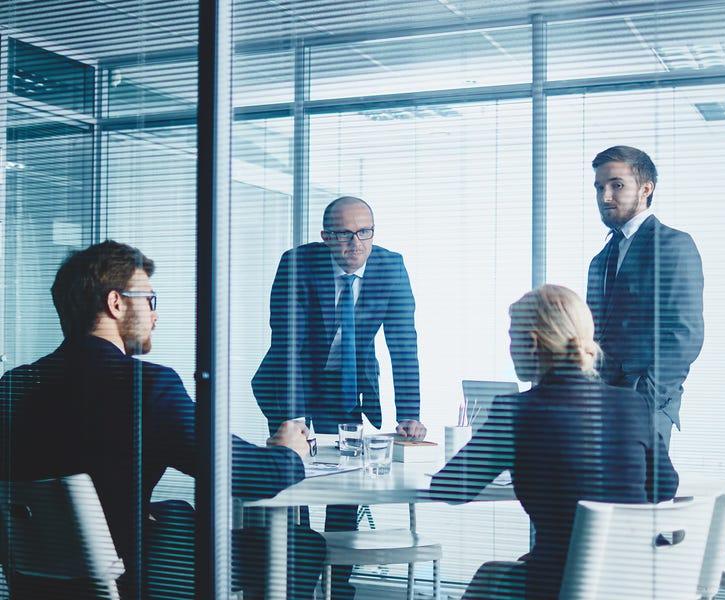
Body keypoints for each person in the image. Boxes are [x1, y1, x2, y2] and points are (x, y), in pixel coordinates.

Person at [0, 240, 324, 600]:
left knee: (179, 512)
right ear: (116, 303)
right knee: (301, 546)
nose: (156, 316)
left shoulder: (15, 384)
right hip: (128, 575)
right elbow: (250, 477)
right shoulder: (145, 386)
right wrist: (289, 451)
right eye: (149, 300)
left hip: (38, 579)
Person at [429, 284, 679, 599]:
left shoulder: (517, 411)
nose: (509, 347)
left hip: (571, 581)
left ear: (532, 343)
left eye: (511, 338)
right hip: (643, 578)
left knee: (491, 578)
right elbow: (665, 486)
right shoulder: (632, 404)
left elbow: (451, 488)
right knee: (497, 573)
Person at [251, 195, 426, 599]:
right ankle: (292, 582)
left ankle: (337, 586)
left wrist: (409, 413)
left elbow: (402, 341)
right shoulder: (297, 264)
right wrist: (293, 419)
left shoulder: (389, 265)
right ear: (326, 236)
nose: (356, 244)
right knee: (294, 483)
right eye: (345, 235)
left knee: (345, 485)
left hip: (346, 385)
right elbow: (289, 344)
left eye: (365, 232)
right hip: (290, 382)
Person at [587, 145, 704, 448]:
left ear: (646, 188)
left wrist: (646, 399)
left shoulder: (673, 245)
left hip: (645, 409)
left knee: (638, 494)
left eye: (617, 185)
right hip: (599, 408)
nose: (605, 196)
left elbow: (684, 335)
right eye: (600, 187)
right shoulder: (600, 260)